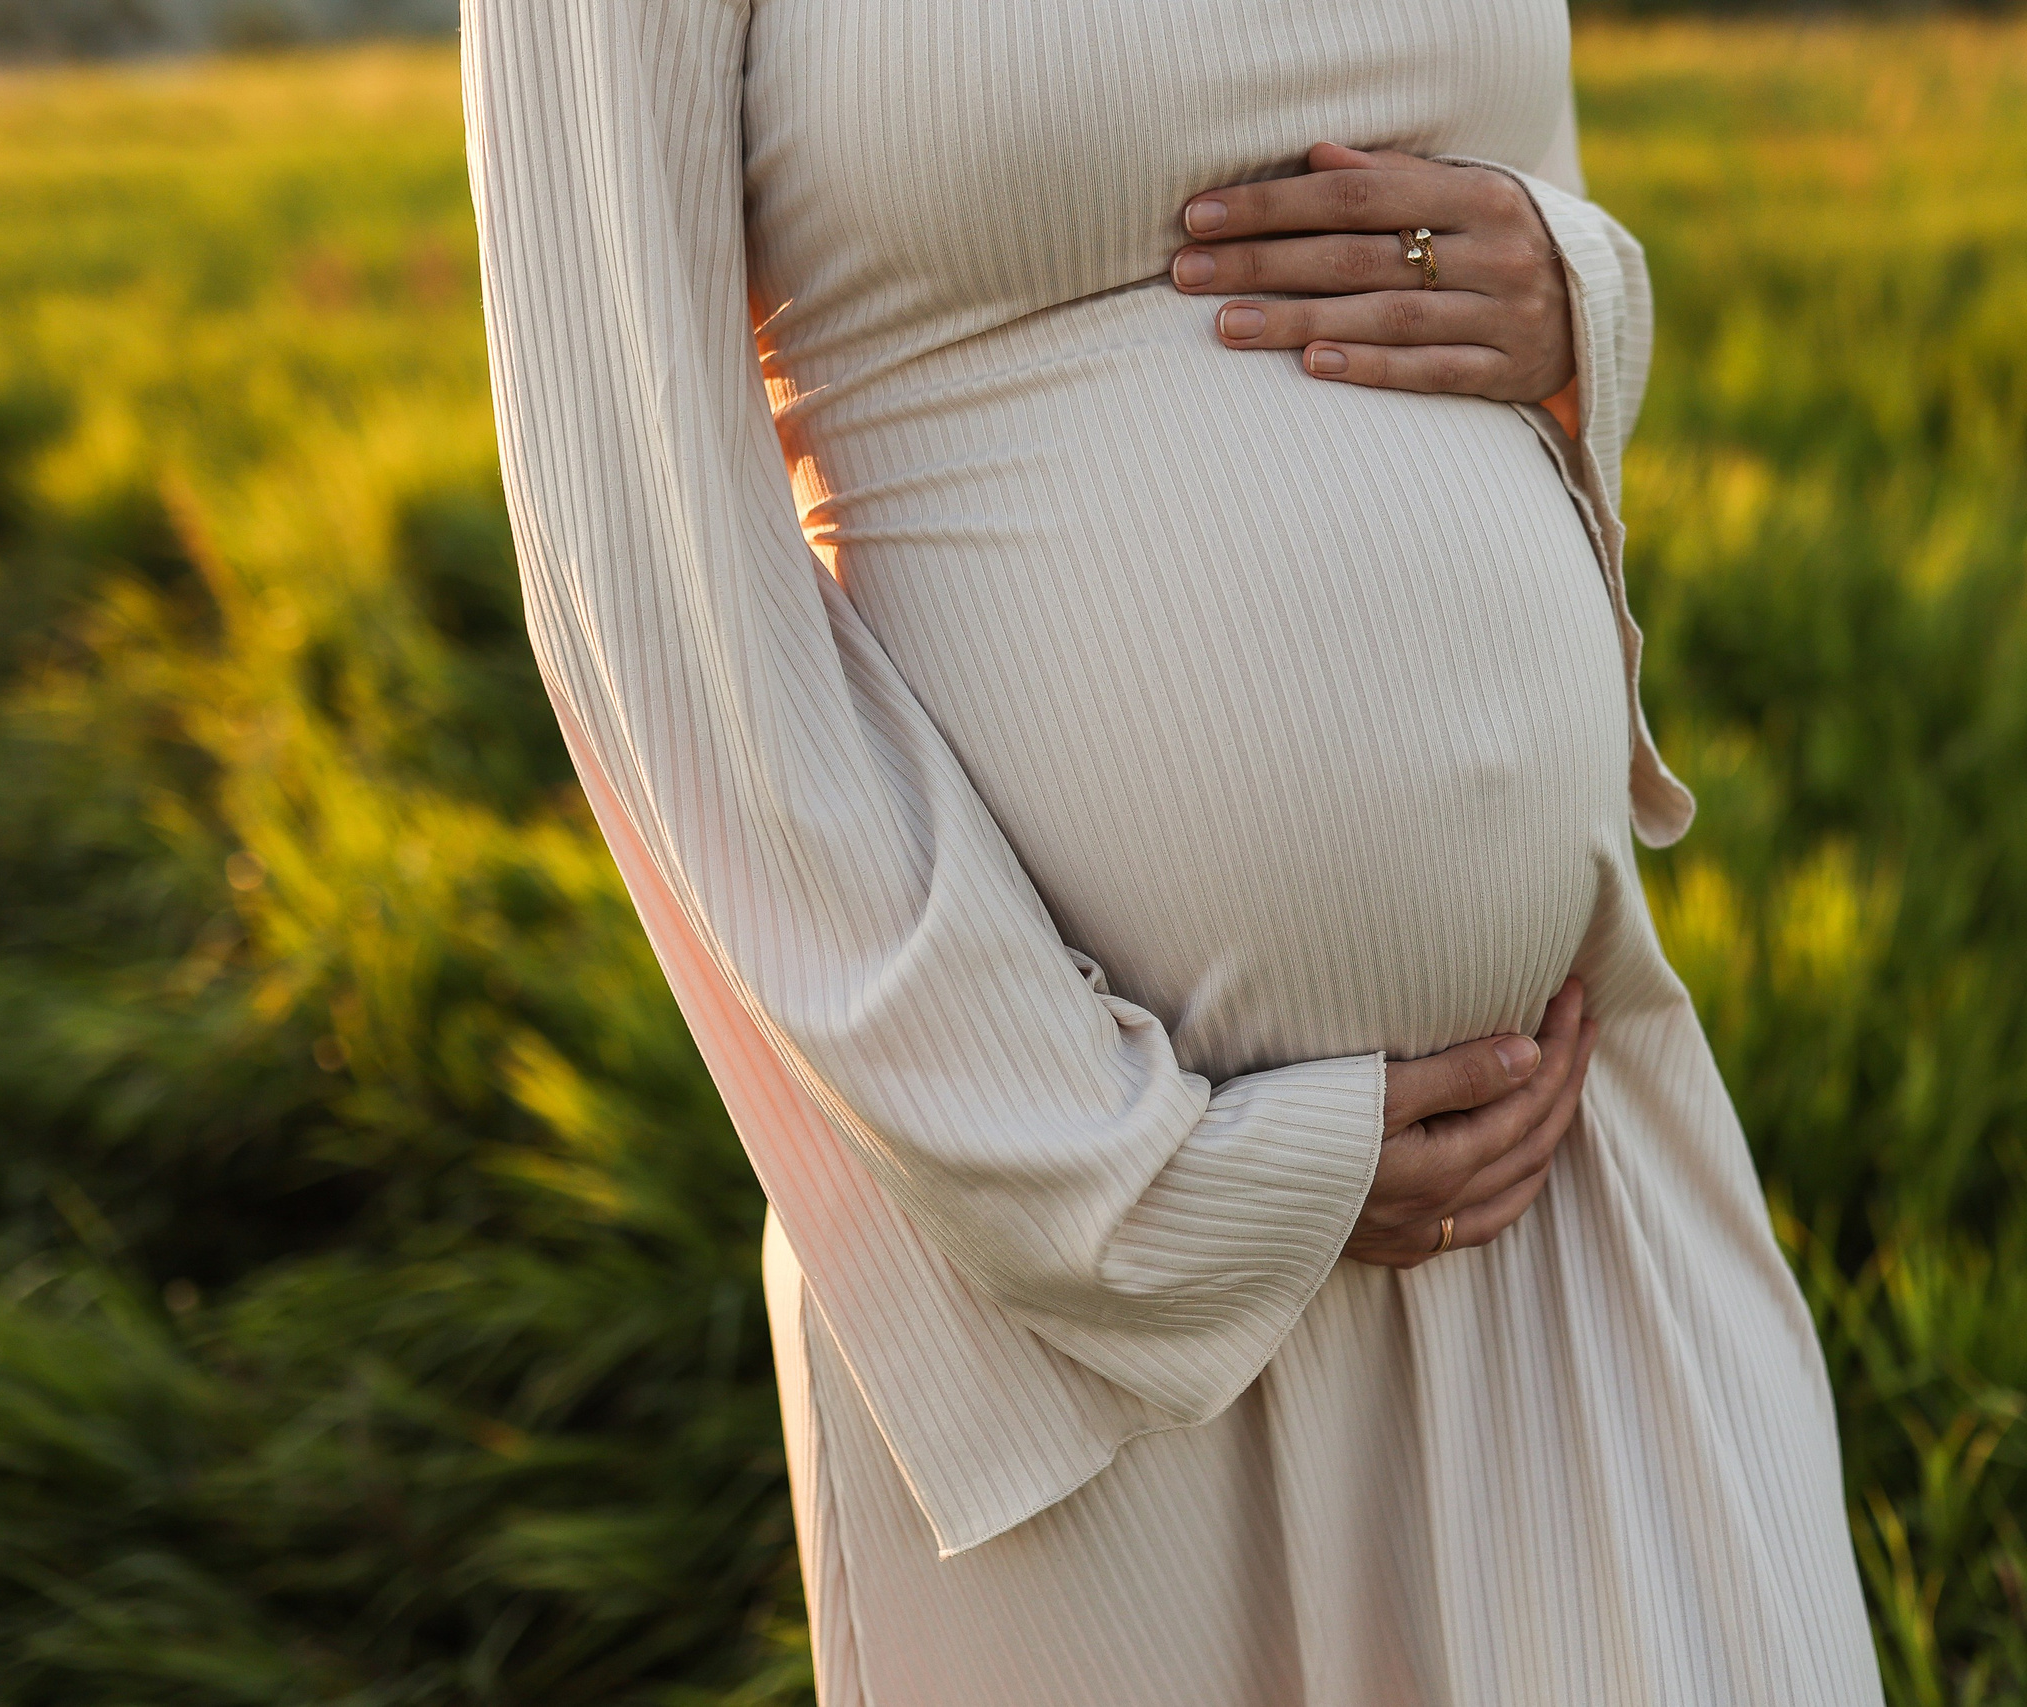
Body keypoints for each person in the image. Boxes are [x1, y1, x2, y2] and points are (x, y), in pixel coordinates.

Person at [460, 2, 1883, 1701]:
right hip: (1074, 1246)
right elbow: (644, 565)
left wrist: (1575, 288)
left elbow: (1503, 212)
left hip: (1547, 1153)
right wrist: (1124, 1189)